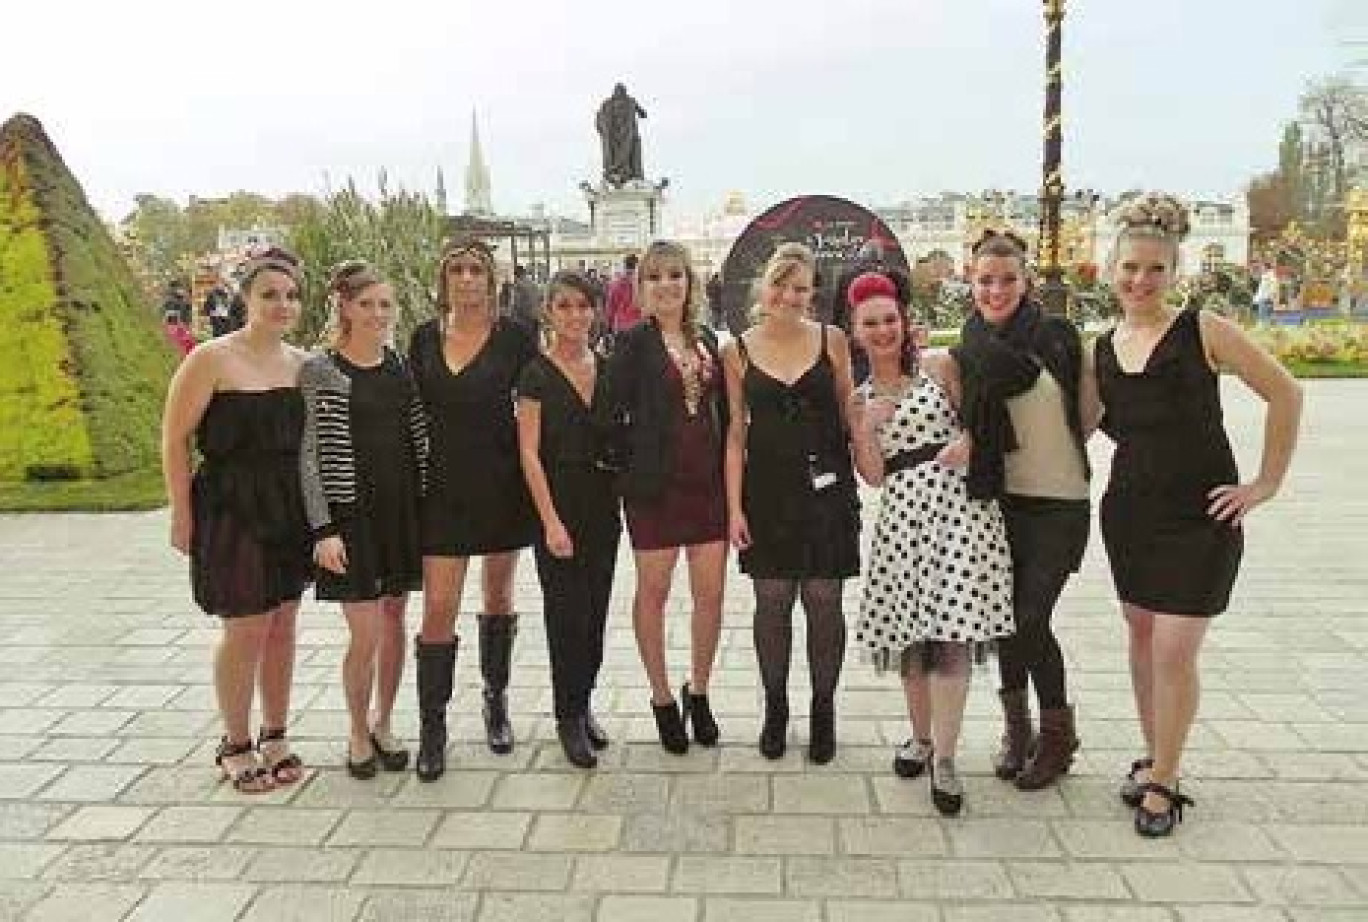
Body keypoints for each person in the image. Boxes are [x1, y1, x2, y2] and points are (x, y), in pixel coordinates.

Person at [1094, 193, 1302, 836]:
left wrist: (1265, 483)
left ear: (1173, 272)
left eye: (1155, 269)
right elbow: (1074, 426)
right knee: (1142, 636)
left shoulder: (1204, 330)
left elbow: (1285, 391)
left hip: (1199, 515)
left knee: (1176, 649)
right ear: (1111, 270)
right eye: (1130, 268)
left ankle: (1164, 780)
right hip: (1129, 513)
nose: (1140, 280)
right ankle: (1157, 753)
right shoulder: (1100, 346)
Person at [848, 271, 1014, 816]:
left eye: (889, 319)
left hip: (959, 515)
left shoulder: (940, 368)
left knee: (953, 633)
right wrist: (865, 429)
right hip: (902, 521)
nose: (882, 331)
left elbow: (981, 423)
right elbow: (872, 476)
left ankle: (944, 756)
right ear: (855, 331)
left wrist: (968, 441)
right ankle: (919, 738)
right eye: (870, 323)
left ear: (904, 321)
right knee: (912, 637)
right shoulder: (860, 396)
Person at [160, 247, 312, 794]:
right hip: (230, 506)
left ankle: (276, 733)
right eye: (270, 294)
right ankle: (235, 740)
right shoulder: (210, 359)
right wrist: (182, 512)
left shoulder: (300, 363)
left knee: (283, 625)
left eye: (291, 295)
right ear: (246, 298)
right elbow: (175, 439)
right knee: (244, 625)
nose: (282, 304)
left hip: (287, 507)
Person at [952, 229, 1098, 791]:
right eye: (985, 280)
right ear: (972, 284)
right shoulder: (969, 348)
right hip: (1000, 501)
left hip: (1060, 502)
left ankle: (1058, 738)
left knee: (1031, 617)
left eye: (1007, 279)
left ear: (1026, 282)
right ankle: (1019, 732)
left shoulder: (1056, 336)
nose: (996, 290)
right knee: (1005, 619)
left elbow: (1085, 414)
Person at [721, 242, 861, 764]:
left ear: (813, 293)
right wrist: (733, 507)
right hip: (767, 492)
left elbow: (852, 413)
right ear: (764, 286)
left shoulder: (834, 341)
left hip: (827, 492)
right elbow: (735, 432)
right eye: (781, 284)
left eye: (801, 287)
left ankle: (823, 709)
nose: (790, 295)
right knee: (773, 603)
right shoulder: (736, 349)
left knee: (825, 602)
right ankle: (775, 708)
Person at [407, 237, 539, 780]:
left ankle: (496, 699)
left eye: (476, 270)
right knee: (438, 605)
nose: (467, 279)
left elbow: (537, 406)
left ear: (492, 280)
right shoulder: (421, 338)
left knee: (498, 592)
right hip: (441, 486)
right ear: (444, 280)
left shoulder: (516, 338)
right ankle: (432, 725)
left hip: (501, 481)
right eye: (457, 270)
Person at [299, 261, 428, 780]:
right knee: (366, 631)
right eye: (367, 304)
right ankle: (355, 729)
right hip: (351, 518)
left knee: (395, 622)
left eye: (385, 304)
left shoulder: (398, 365)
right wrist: (322, 529)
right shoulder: (320, 370)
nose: (378, 313)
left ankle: (384, 721)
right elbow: (307, 455)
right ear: (345, 307)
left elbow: (418, 434)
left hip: (400, 513)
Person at [601, 241, 728, 754]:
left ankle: (698, 690)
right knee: (653, 592)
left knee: (711, 595)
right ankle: (660, 698)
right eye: (655, 277)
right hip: (655, 492)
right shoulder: (630, 344)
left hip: (708, 486)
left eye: (676, 274)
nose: (667, 285)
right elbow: (608, 415)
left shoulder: (706, 340)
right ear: (642, 288)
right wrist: (631, 470)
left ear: (689, 282)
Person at [517, 271, 621, 768]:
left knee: (596, 613)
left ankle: (584, 702)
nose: (575, 315)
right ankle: (566, 716)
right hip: (557, 506)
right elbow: (529, 455)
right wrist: (550, 521)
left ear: (595, 311)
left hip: (602, 506)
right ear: (549, 313)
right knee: (566, 615)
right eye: (564, 307)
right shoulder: (536, 373)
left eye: (583, 306)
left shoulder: (605, 366)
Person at [604, 254, 642, 336]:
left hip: (621, 327)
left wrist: (609, 326)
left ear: (625, 265)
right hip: (640, 326)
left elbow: (611, 307)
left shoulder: (616, 284)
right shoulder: (642, 284)